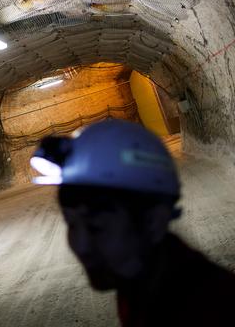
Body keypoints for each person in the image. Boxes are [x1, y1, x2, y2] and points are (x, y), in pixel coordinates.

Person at [31, 119, 235, 326]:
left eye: (97, 227)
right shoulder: (137, 289)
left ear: (154, 222)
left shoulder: (211, 309)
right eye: (72, 224)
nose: (80, 245)